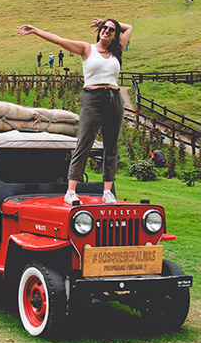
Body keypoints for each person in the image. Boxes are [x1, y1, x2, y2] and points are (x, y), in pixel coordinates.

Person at [15, 17, 132, 205]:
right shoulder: (87, 49)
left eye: (111, 29)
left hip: (114, 100)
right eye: (104, 27)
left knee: (111, 146)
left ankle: (107, 192)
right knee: (84, 143)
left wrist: (104, 20)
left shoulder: (117, 50)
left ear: (115, 35)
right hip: (92, 99)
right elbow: (59, 40)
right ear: (99, 31)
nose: (106, 31)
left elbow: (129, 27)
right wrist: (35, 30)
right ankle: (70, 191)